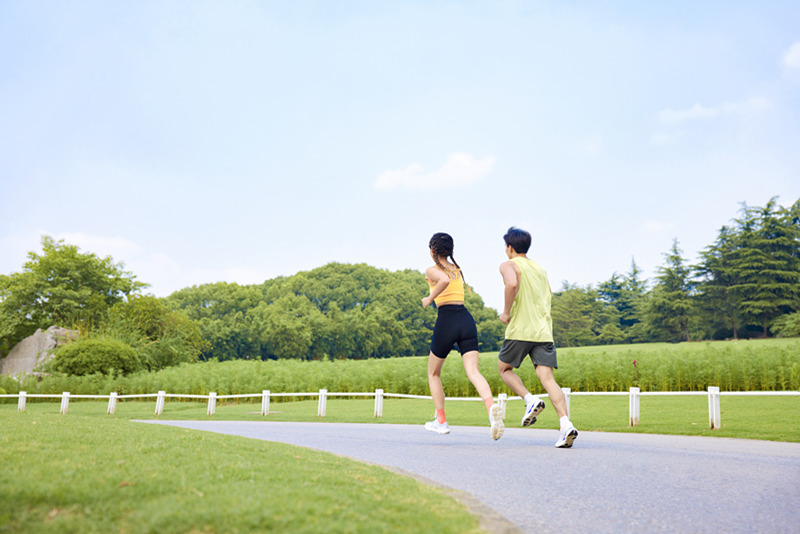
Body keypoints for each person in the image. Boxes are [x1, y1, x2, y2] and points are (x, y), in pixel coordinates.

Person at [497, 227, 578, 448]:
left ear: (510, 247)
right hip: (543, 331)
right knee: (548, 379)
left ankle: (530, 400)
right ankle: (565, 425)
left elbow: (512, 284)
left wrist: (506, 312)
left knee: (504, 369)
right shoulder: (540, 268)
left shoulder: (509, 265)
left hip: (521, 330)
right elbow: (548, 294)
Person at [421, 232, 505, 440]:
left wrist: (429, 298)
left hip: (447, 320)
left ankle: (441, 421)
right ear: (450, 250)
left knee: (433, 373)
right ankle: (491, 409)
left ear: (432, 250)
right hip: (466, 320)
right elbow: (448, 280)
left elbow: (442, 281)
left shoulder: (432, 270)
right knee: (473, 372)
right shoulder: (457, 270)